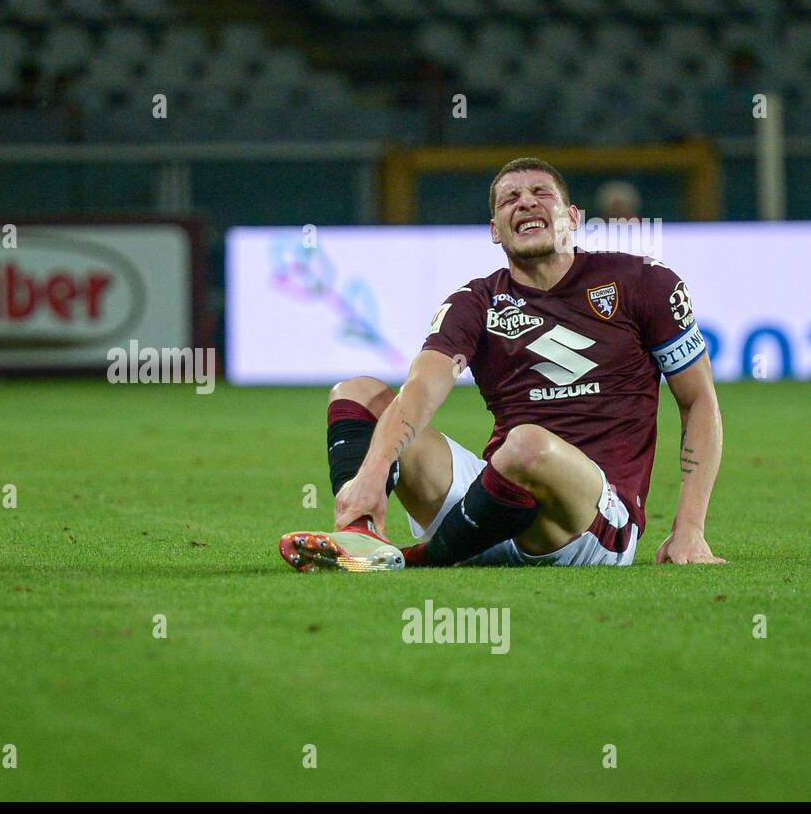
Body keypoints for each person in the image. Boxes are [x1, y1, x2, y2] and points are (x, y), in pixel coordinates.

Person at [279, 157, 724, 571]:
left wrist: (689, 529)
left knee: (527, 445)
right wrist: (372, 476)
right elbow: (420, 389)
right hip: (493, 504)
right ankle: (359, 535)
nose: (526, 201)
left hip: (591, 523)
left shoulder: (643, 283)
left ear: (572, 217)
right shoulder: (476, 303)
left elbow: (698, 400)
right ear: (496, 230)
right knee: (357, 392)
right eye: (510, 198)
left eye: (540, 193)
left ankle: (419, 558)